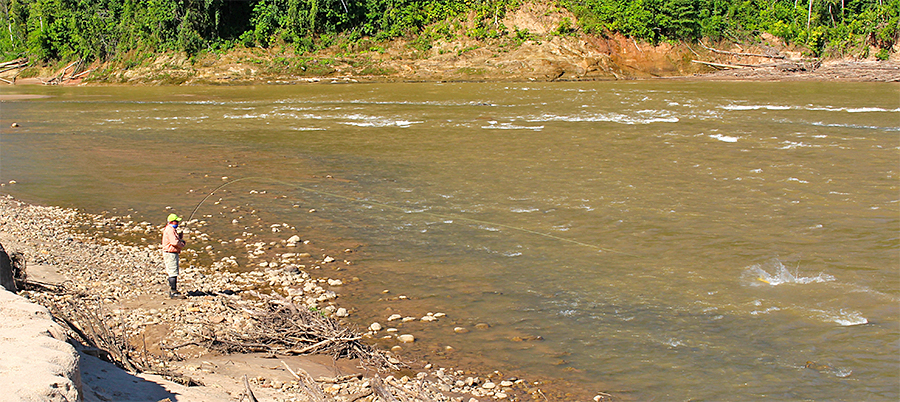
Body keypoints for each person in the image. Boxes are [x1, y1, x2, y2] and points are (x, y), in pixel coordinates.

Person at [161, 213, 186, 298]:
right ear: (171, 221)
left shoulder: (170, 229)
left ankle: (173, 290)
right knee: (173, 272)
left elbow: (173, 239)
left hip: (170, 252)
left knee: (172, 271)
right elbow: (174, 242)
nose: (178, 223)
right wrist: (181, 244)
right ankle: (173, 292)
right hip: (170, 253)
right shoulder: (170, 230)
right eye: (176, 221)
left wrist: (179, 237)